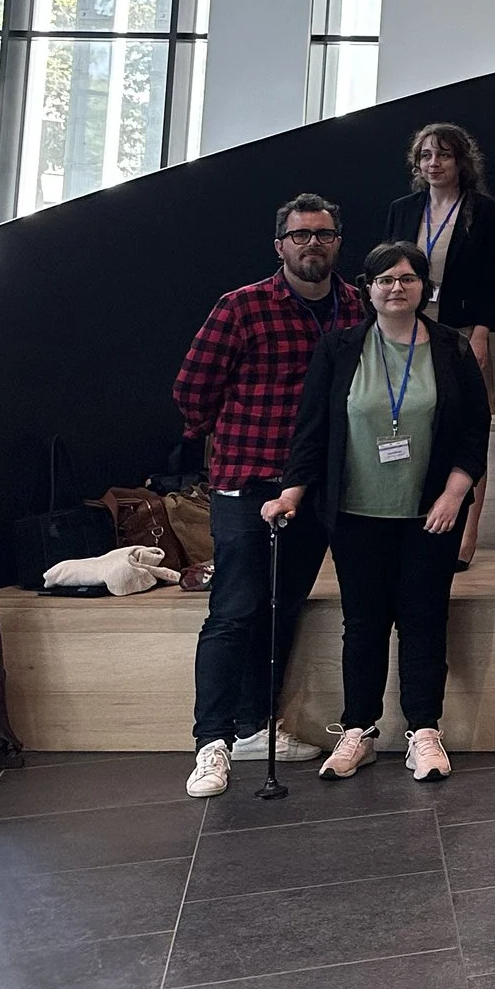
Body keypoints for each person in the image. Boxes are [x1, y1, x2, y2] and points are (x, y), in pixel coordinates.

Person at [265, 240, 489, 783]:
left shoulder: (451, 348)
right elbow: (312, 431)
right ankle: (358, 730)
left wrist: (454, 494)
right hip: (356, 513)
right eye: (385, 279)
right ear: (367, 288)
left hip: (429, 512)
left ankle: (423, 731)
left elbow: (473, 432)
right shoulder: (339, 348)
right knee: (362, 623)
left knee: (423, 618)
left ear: (423, 288)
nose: (396, 288)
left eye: (407, 279)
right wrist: (292, 493)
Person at [174, 195, 369, 798]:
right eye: (301, 235)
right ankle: (211, 741)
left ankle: (255, 725)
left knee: (283, 606)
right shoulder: (242, 307)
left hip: (314, 487)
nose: (313, 244)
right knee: (235, 608)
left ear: (338, 242)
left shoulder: (356, 306)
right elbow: (191, 392)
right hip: (248, 479)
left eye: (325, 234)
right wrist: (227, 446)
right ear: (280, 245)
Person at [383, 123, 495, 567]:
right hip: (406, 329)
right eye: (426, 156)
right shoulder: (403, 209)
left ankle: (466, 534)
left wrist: (480, 333)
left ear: (461, 161)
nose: (434, 163)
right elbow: (385, 268)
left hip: (460, 333)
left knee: (470, 427)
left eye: (444, 155)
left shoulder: (485, 211)